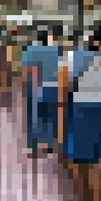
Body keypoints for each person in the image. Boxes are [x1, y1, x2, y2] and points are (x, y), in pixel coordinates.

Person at [63, 31, 101, 201]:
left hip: (82, 111)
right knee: (98, 163)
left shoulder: (75, 59)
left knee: (81, 162)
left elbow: (66, 87)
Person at [20, 28, 61, 157]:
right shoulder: (55, 51)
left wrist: (26, 84)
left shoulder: (31, 50)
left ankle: (33, 146)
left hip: (37, 87)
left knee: (34, 117)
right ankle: (49, 145)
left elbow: (25, 71)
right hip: (54, 87)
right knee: (50, 118)